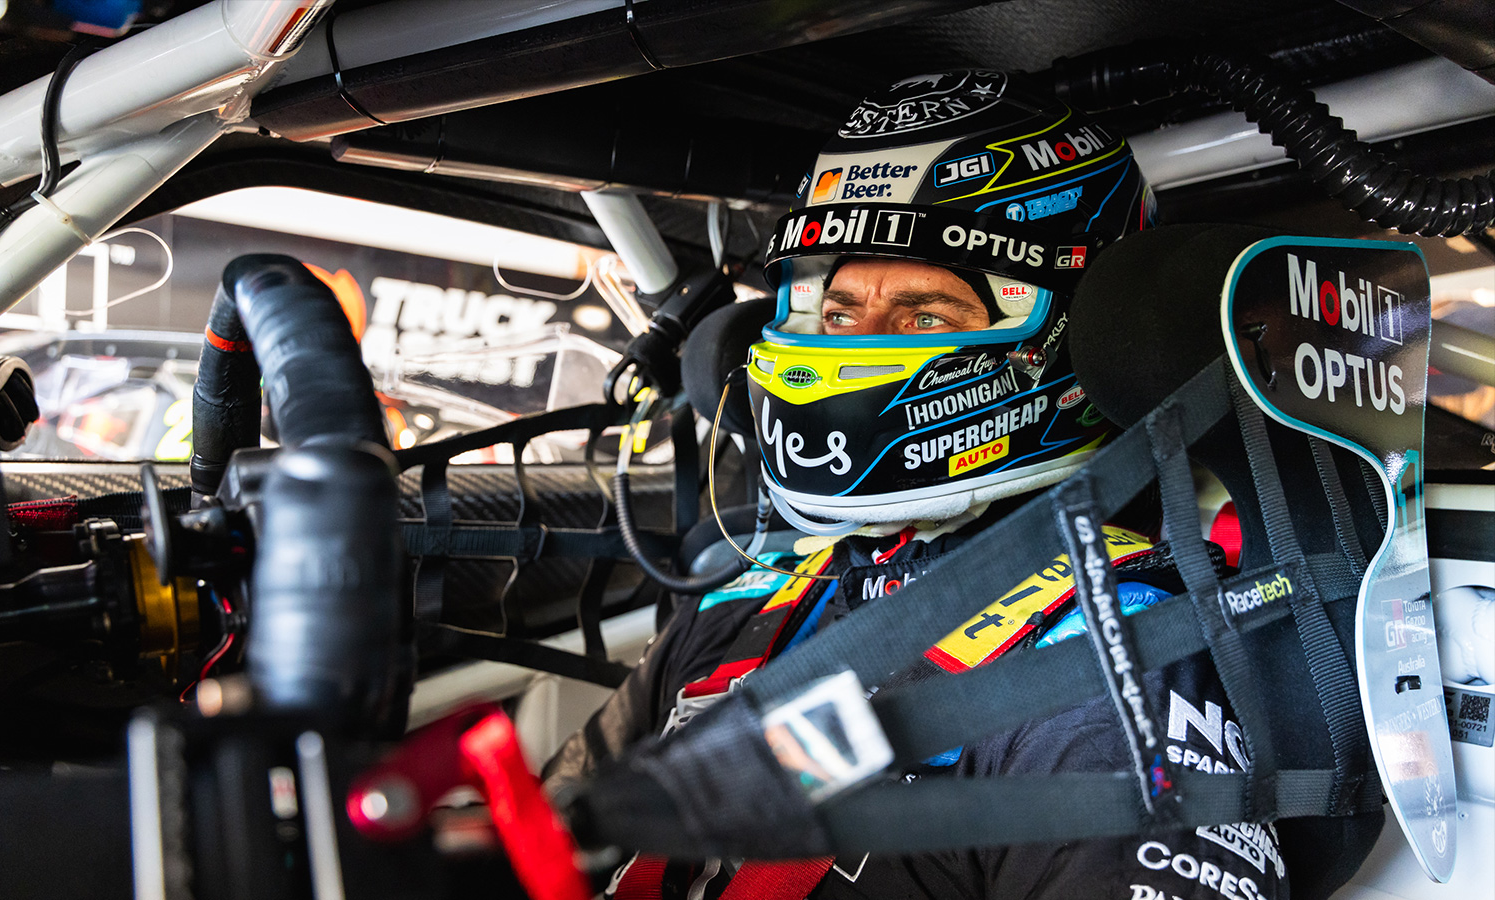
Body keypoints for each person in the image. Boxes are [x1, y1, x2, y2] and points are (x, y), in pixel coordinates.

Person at [546, 71, 1288, 900]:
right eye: (836, 310)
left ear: (1070, 343)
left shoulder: (1112, 658)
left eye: (925, 313)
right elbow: (543, 840)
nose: (852, 344)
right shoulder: (744, 597)